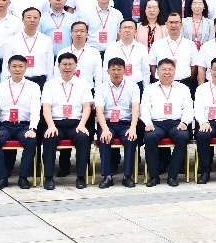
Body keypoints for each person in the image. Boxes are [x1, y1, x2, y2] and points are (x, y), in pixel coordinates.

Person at [41, 52, 94, 190]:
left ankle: (81, 177)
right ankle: (48, 177)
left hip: (76, 123)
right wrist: (50, 126)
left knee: (83, 138)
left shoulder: (83, 84)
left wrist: (82, 125)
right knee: (49, 137)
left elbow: (86, 107)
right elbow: (46, 107)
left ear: (76, 66)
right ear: (58, 66)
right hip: (56, 123)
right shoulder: (50, 84)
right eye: (64, 64)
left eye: (71, 64)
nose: (67, 67)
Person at [0, 55, 41, 190]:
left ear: (26, 68)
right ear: (8, 68)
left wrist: (33, 129)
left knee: (31, 141)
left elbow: (35, 109)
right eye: (14, 66)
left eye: (21, 66)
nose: (17, 69)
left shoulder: (33, 87)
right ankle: (1, 178)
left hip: (24, 125)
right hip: (5, 125)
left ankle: (23, 177)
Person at [141, 59, 193, 186]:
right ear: (157, 72)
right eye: (164, 69)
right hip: (156, 123)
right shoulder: (149, 89)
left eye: (170, 69)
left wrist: (184, 122)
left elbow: (188, 108)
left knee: (183, 136)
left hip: (176, 123)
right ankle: (154, 177)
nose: (167, 72)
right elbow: (144, 108)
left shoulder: (183, 88)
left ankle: (173, 176)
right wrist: (148, 123)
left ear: (174, 72)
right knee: (150, 137)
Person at [95, 58, 141, 188]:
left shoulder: (133, 87)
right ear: (108, 71)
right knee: (104, 138)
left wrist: (133, 128)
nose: (116, 72)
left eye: (119, 69)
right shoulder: (101, 88)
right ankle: (107, 176)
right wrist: (105, 129)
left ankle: (127, 176)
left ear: (124, 70)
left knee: (131, 139)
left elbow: (135, 108)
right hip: (108, 123)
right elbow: (99, 111)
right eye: (113, 69)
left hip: (126, 123)